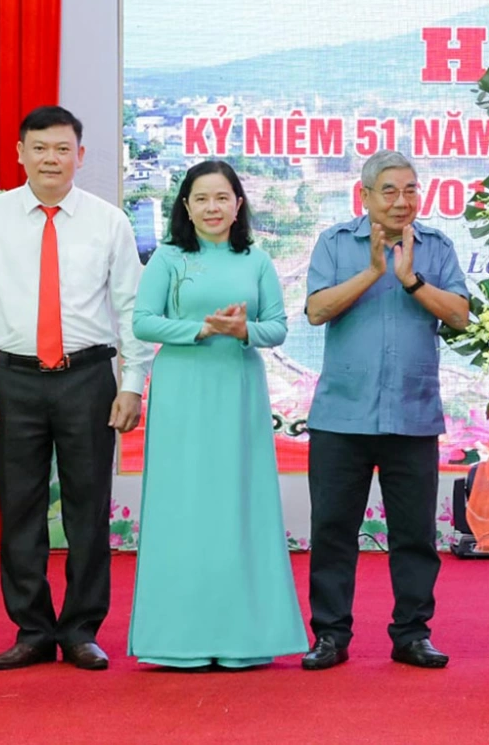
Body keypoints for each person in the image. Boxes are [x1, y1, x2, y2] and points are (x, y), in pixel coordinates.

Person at [0, 105, 151, 671]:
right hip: (12, 379)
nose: (50, 159)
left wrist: (131, 383)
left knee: (88, 510)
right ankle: (33, 629)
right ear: (20, 153)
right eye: (39, 148)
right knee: (20, 508)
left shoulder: (108, 221)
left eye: (62, 149)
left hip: (87, 378)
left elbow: (130, 307)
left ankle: (82, 628)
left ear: (80, 156)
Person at [127, 160, 309, 668]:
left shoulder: (257, 260)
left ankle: (242, 639)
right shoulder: (168, 259)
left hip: (238, 388)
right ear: (186, 207)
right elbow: (143, 322)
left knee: (238, 503)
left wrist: (243, 331)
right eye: (202, 199)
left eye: (222, 198)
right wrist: (201, 330)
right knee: (182, 503)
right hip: (181, 390)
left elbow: (277, 327)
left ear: (238, 205)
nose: (213, 207)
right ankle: (176, 639)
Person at [301, 150, 470, 671]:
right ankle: (330, 635)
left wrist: (411, 279)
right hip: (341, 417)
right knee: (333, 531)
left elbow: (461, 316)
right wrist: (375, 271)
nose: (402, 201)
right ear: (366, 195)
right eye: (390, 191)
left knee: (415, 535)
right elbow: (316, 310)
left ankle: (412, 634)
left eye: (411, 190)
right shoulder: (335, 243)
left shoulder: (437, 247)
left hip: (412, 414)